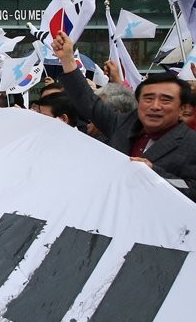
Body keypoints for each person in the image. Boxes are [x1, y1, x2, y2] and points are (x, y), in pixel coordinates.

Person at [52, 31, 196, 200]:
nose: (155, 106)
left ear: (182, 108)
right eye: (148, 98)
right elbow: (87, 100)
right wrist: (67, 59)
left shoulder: (191, 143)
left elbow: (192, 190)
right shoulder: (122, 124)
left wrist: (154, 175)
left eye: (166, 100)